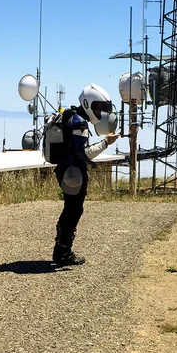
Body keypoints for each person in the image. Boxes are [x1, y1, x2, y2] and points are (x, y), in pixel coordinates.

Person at [47, 84, 121, 266]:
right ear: (88, 103)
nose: (101, 112)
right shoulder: (79, 123)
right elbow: (83, 154)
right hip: (72, 172)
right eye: (99, 108)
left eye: (103, 109)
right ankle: (63, 252)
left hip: (66, 169)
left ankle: (61, 249)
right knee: (73, 211)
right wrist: (105, 143)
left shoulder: (71, 115)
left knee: (70, 209)